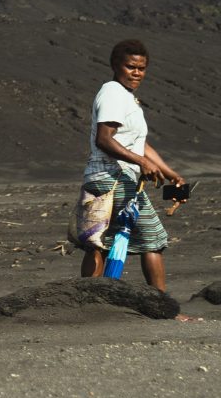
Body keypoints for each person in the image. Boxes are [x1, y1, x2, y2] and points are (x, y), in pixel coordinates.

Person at [74, 39, 184, 290]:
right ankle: (161, 307)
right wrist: (140, 162)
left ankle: (87, 303)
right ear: (115, 65)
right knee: (153, 238)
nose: (136, 73)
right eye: (130, 66)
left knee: (100, 242)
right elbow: (104, 139)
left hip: (111, 179)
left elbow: (140, 145)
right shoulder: (113, 94)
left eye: (141, 68)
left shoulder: (126, 98)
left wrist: (171, 175)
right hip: (113, 179)